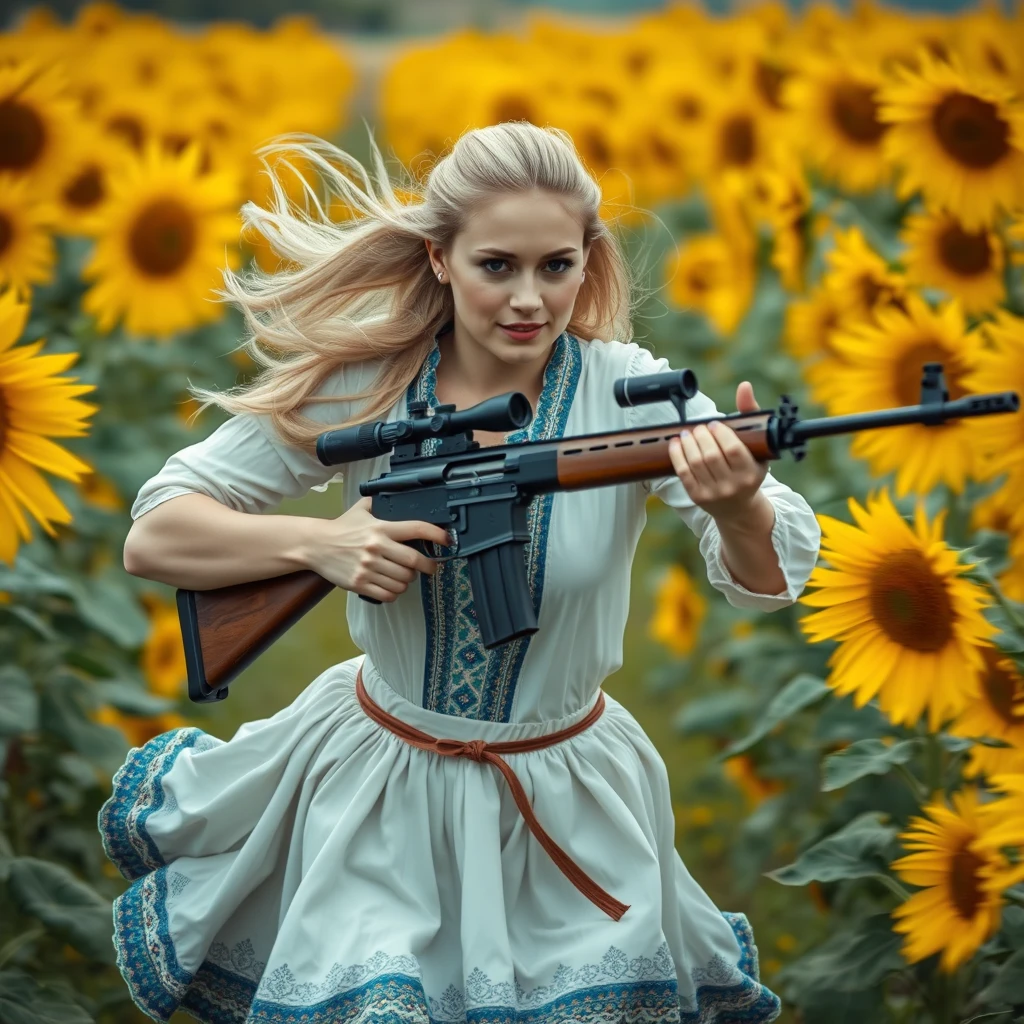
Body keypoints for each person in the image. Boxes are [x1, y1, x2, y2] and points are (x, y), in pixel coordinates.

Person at [98, 121, 821, 1024]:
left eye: (557, 266)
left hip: (571, 799)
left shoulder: (629, 393)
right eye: (497, 267)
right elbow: (157, 532)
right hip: (381, 789)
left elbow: (768, 573)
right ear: (440, 259)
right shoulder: (371, 380)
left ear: (588, 262)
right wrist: (320, 543)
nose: (528, 299)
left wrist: (736, 503)